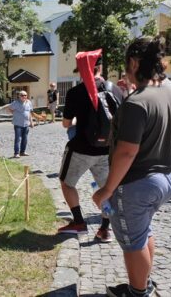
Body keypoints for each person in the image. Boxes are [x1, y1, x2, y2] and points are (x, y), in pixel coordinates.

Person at [92, 36, 171, 297]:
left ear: (133, 62)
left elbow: (127, 151)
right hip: (165, 178)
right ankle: (143, 283)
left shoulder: (136, 103)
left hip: (137, 184)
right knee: (142, 232)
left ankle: (137, 293)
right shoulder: (170, 90)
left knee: (133, 242)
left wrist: (106, 190)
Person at [57, 54, 113, 243]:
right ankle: (105, 229)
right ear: (101, 68)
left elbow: (66, 124)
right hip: (107, 150)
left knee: (66, 183)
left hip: (81, 149)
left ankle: (79, 222)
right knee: (106, 189)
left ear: (81, 69)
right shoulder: (115, 89)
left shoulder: (76, 92)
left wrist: (76, 119)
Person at [7, 90, 34, 158]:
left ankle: (22, 152)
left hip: (26, 124)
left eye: (25, 95)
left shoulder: (29, 102)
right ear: (19, 96)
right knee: (18, 139)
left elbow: (29, 113)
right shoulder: (15, 103)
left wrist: (31, 122)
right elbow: (9, 108)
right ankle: (16, 153)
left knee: (25, 139)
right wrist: (14, 114)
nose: (24, 96)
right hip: (18, 123)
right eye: (22, 95)